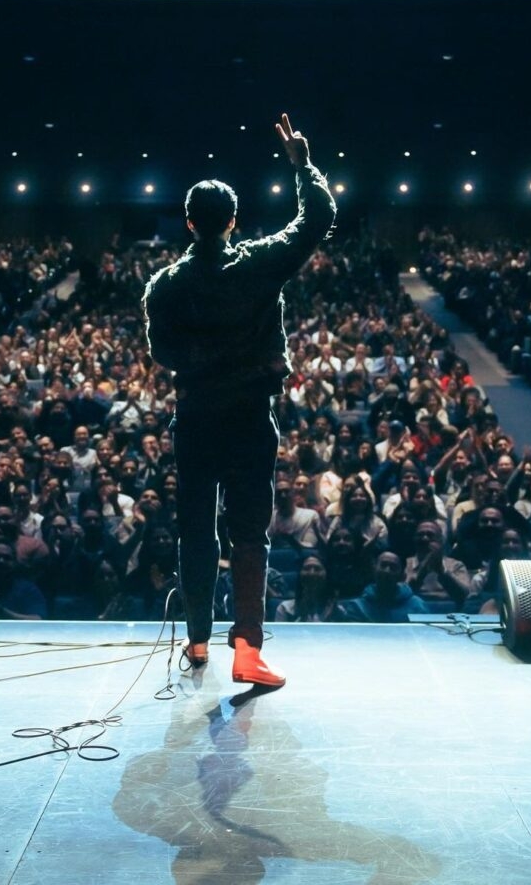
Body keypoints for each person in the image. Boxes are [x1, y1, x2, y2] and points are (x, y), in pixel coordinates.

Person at [143, 114, 336, 687]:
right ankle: (247, 651)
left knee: (196, 529)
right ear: (233, 221)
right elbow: (318, 219)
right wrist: (302, 164)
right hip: (250, 418)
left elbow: (163, 352)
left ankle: (197, 641)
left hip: (197, 418)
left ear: (187, 223)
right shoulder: (260, 263)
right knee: (249, 533)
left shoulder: (166, 285)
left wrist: (209, 364)